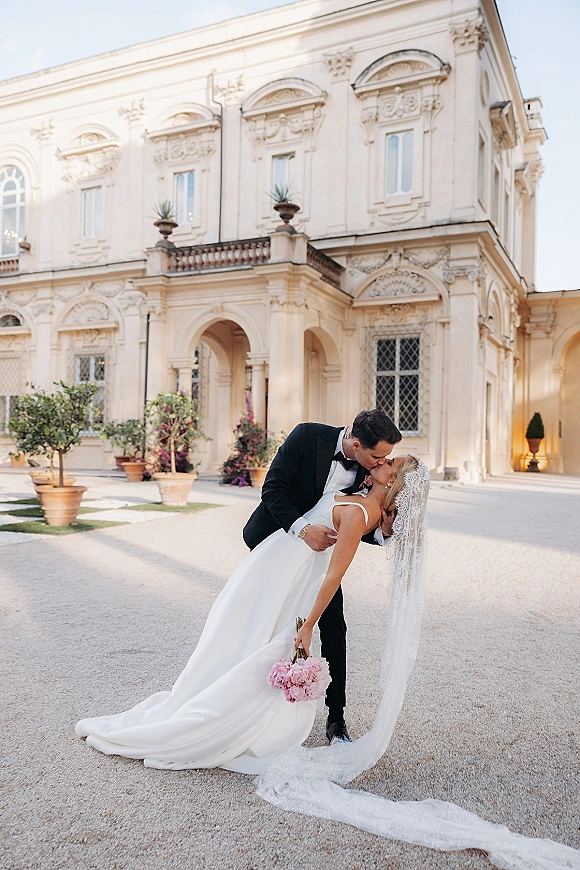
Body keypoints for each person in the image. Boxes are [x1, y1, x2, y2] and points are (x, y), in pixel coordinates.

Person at [75, 454, 416, 773]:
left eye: (391, 463)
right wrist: (384, 527)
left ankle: (216, 714)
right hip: (270, 565)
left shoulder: (360, 513)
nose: (382, 460)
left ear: (395, 481)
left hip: (289, 578)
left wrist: (310, 624)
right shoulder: (360, 496)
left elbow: (334, 574)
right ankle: (198, 692)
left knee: (253, 639)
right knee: (231, 631)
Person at [243, 410, 402, 743]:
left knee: (334, 629)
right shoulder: (306, 436)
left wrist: (383, 532)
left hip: (318, 564)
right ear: (356, 444)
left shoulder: (370, 467)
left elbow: (351, 521)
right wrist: (303, 530)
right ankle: (250, 706)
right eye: (377, 456)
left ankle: (336, 719)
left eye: (386, 458)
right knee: (266, 624)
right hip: (278, 544)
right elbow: (272, 491)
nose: (380, 463)